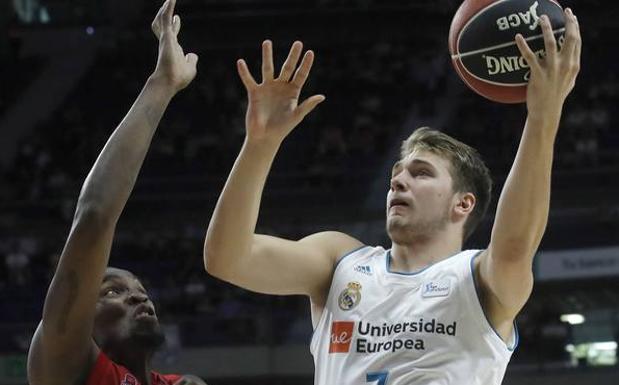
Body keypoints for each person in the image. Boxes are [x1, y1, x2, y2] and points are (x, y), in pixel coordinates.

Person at [203, 8, 581, 385]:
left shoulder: (480, 277)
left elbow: (515, 246)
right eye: (396, 175)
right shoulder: (340, 262)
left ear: (462, 204)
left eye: (421, 174)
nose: (398, 183)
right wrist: (260, 144)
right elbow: (227, 258)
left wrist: (542, 117)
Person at [26, 1, 206, 384]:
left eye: (139, 290)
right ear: (78, 320)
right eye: (112, 292)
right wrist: (162, 86)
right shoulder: (62, 366)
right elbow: (94, 217)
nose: (139, 298)